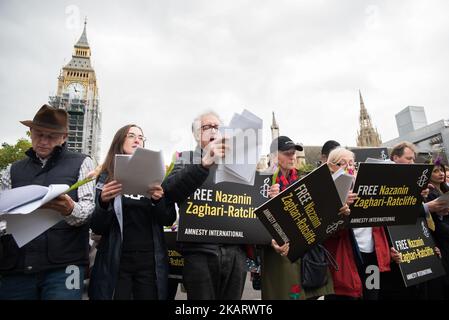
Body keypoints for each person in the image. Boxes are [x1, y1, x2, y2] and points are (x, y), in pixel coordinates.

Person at [0, 104, 95, 300]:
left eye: (51, 136)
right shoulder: (12, 169)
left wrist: (70, 209)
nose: (43, 141)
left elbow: (88, 210)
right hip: (16, 266)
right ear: (31, 132)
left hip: (66, 266)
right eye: (38, 134)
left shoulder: (83, 162)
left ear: (64, 137)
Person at [163, 111, 247, 300]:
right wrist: (203, 164)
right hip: (199, 252)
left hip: (234, 253)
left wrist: (266, 192)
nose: (213, 130)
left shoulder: (238, 165)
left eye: (217, 127)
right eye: (206, 127)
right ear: (196, 135)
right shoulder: (185, 158)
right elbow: (169, 192)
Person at [88, 124, 176, 300]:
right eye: (131, 136)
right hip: (117, 260)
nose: (137, 139)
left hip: (149, 262)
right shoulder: (106, 176)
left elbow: (168, 219)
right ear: (119, 141)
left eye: (141, 137)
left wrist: (158, 201)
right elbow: (97, 227)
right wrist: (103, 202)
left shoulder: (158, 175)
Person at [261, 137, 351, 300]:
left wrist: (340, 210)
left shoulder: (304, 180)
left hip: (308, 257)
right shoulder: (262, 182)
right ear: (274, 156)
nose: (292, 157)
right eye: (287, 153)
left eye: (293, 153)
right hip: (281, 259)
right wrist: (268, 201)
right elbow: (252, 223)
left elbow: (320, 216)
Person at [379, 142, 448, 300]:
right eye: (408, 159)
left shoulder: (418, 183)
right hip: (397, 254)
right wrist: (426, 207)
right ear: (395, 158)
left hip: (419, 251)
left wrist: (432, 245)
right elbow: (394, 214)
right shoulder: (385, 182)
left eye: (413, 159)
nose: (412, 163)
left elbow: (420, 219)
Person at [324, 147, 391, 300]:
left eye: (352, 163)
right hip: (345, 260)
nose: (349, 167)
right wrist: (339, 205)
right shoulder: (325, 193)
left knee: (372, 294)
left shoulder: (368, 187)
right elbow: (327, 231)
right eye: (342, 163)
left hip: (373, 257)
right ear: (331, 167)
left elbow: (383, 222)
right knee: (347, 296)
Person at [425, 158, 449, 299]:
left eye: (442, 170)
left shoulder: (445, 188)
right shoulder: (429, 194)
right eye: (436, 171)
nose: (440, 174)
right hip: (442, 240)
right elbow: (434, 222)